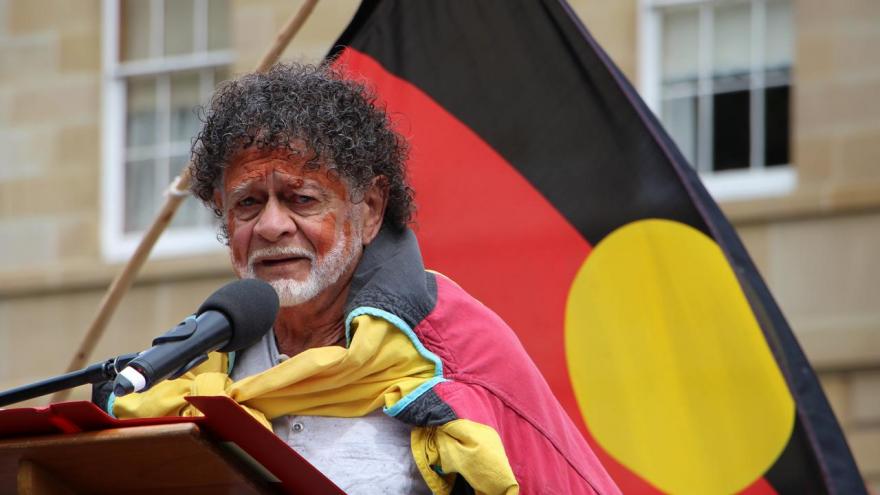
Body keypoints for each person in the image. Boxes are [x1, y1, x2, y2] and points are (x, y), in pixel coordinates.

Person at [109, 63, 620, 495]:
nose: (270, 225)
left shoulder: (463, 350)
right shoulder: (180, 372)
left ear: (370, 209)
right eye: (247, 203)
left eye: (301, 199)